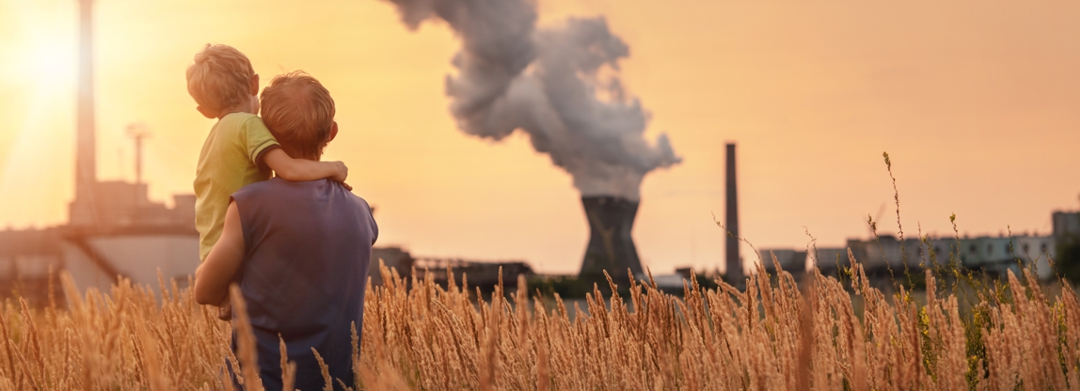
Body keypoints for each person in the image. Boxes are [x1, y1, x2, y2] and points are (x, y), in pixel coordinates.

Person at [194, 71, 377, 391]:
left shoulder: (250, 206)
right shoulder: (362, 213)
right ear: (331, 133)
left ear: (265, 133)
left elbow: (205, 292)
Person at [186, 44, 350, 265]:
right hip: (236, 252)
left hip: (213, 254)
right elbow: (290, 169)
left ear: (204, 111)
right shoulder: (247, 125)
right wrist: (334, 168)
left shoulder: (217, 135)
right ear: (254, 84)